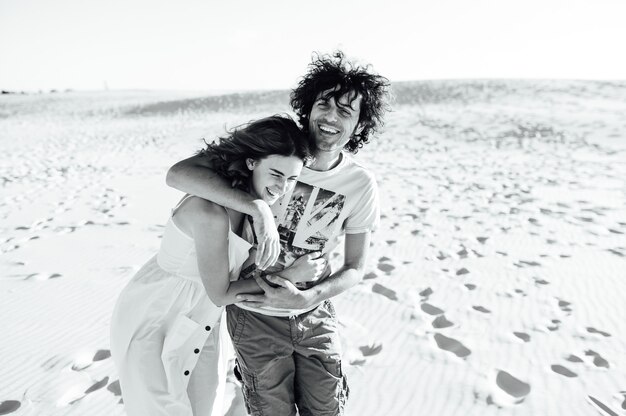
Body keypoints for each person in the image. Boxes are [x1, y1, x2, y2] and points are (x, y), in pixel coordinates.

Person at [166, 51, 390, 415]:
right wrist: (255, 208)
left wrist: (309, 297)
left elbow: (355, 267)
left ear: (360, 125)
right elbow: (178, 174)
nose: (330, 118)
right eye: (324, 105)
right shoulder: (276, 149)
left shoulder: (360, 184)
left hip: (313, 313)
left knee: (328, 408)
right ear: (308, 107)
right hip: (253, 313)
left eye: (345, 112)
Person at [110, 115, 316, 416]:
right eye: (276, 174)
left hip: (204, 322)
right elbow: (221, 293)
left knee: (206, 407)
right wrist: (289, 276)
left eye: (292, 178)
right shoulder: (211, 212)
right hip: (155, 320)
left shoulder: (250, 203)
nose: (283, 187)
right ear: (250, 163)